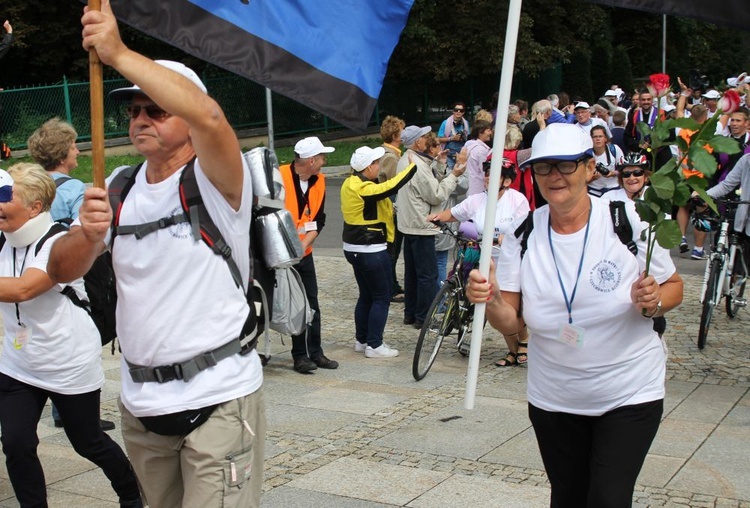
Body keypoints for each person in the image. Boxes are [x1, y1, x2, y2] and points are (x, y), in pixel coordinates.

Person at [47, 3, 265, 506]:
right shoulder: (117, 188)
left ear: (185, 119)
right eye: (133, 110)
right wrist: (86, 235)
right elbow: (61, 270)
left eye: (156, 109)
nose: (140, 118)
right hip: (141, 405)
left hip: (219, 397)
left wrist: (118, 52)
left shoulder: (216, 184)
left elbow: (210, 117)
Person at [465, 123, 683, 507]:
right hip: (555, 396)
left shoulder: (627, 218)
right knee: (567, 497)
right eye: (544, 167)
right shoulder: (524, 232)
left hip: (629, 389)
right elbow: (511, 322)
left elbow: (673, 287)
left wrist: (654, 301)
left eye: (565, 166)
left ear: (588, 168)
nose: (554, 176)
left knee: (608, 498)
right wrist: (493, 300)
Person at [0, 164, 142, 508]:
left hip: (66, 360)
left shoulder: (59, 244)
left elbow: (24, 289)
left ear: (34, 207)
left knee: (87, 441)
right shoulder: (2, 239)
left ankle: (132, 494)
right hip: (18, 362)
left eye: (6, 197)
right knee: (16, 444)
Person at [27, 117, 116, 431]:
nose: (78, 152)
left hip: (33, 266)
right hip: (72, 270)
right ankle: (74, 410)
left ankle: (45, 408)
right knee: (83, 333)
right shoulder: (75, 187)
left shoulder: (31, 184)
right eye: (74, 146)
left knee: (42, 332)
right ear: (63, 154)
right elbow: (89, 230)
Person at [427, 156, 530, 366]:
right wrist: (436, 217)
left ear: (507, 181)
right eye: (487, 173)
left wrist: (506, 237)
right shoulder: (477, 200)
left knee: (513, 307)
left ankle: (524, 342)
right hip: (484, 259)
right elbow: (454, 213)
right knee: (494, 306)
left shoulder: (517, 200)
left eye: (495, 175)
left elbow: (525, 227)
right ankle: (512, 351)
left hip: (510, 261)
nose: (488, 178)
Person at [341, 146, 417, 358]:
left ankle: (362, 340)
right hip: (371, 249)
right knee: (381, 297)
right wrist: (412, 168)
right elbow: (391, 186)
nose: (379, 166)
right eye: (376, 163)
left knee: (366, 295)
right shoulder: (364, 189)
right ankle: (374, 345)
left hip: (353, 248)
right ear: (368, 167)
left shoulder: (350, 183)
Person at [396, 125, 466, 329]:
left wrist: (440, 164)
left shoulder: (407, 159)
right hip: (421, 225)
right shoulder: (416, 164)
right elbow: (436, 194)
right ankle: (424, 317)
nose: (429, 139)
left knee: (412, 273)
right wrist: (453, 175)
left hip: (409, 224)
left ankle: (411, 314)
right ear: (418, 142)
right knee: (428, 274)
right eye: (425, 137)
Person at [279, 137, 338, 373]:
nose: (325, 161)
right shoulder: (279, 177)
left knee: (312, 303)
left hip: (304, 251)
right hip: (280, 254)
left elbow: (318, 220)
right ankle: (299, 356)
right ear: (311, 160)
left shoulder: (319, 181)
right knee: (290, 305)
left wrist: (303, 247)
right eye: (322, 157)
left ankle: (315, 352)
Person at [378, 115, 407, 303]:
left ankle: (390, 285)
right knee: (392, 250)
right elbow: (393, 184)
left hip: (388, 208)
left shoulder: (385, 152)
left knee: (391, 249)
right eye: (402, 131)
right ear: (396, 135)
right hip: (391, 209)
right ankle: (390, 287)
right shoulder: (390, 157)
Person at [588, 125, 623, 197]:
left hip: (613, 189)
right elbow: (581, 180)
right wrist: (592, 178)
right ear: (591, 139)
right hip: (594, 191)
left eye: (600, 136)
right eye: (595, 137)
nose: (598, 139)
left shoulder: (614, 149)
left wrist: (612, 173)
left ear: (605, 138)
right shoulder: (587, 154)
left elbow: (624, 169)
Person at [437, 102, 469, 169]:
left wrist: (463, 137)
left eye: (461, 110)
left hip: (461, 156)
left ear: (463, 112)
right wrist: (452, 138)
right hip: (448, 156)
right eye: (456, 110)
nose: (458, 112)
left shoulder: (465, 124)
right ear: (453, 111)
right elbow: (438, 139)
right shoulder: (445, 123)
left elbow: (468, 138)